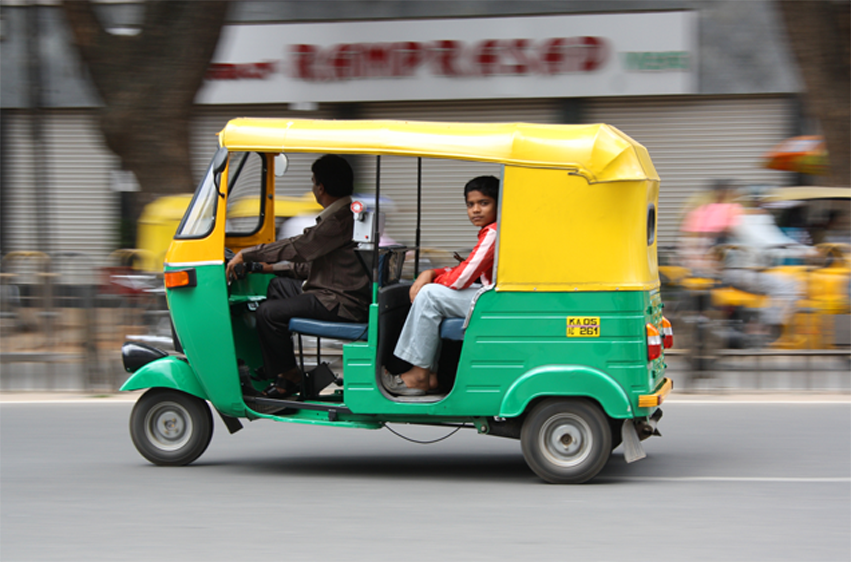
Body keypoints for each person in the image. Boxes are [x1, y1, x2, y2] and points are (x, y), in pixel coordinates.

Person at [226, 154, 371, 398]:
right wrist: (266, 268)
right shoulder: (344, 216)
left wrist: (247, 255)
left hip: (340, 302)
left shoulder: (338, 220)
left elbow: (300, 248)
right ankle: (283, 369)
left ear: (321, 187)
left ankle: (289, 375)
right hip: (333, 292)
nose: (313, 187)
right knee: (278, 287)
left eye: (313, 182)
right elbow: (315, 267)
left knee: (267, 313)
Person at [383, 175, 499, 396]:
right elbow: (467, 269)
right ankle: (430, 373)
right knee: (431, 291)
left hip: (495, 300)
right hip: (494, 295)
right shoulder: (492, 230)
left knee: (429, 295)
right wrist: (432, 272)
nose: (475, 210)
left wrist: (430, 279)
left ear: (498, 204)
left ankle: (419, 375)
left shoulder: (494, 232)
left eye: (484, 203)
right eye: (470, 204)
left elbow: (461, 278)